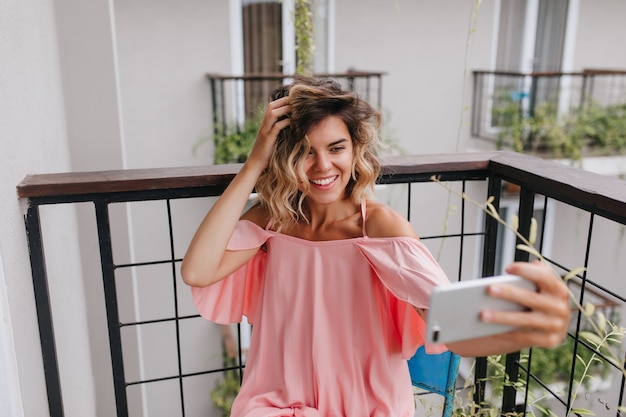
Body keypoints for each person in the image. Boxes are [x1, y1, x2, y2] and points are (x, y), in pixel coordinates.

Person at [181, 77, 571, 417]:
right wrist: (253, 164)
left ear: (355, 150)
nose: (322, 167)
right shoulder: (272, 219)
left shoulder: (380, 228)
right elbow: (197, 271)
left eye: (336, 148)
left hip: (367, 407)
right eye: (304, 152)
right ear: (282, 158)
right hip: (277, 405)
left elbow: (450, 327)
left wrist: (525, 331)